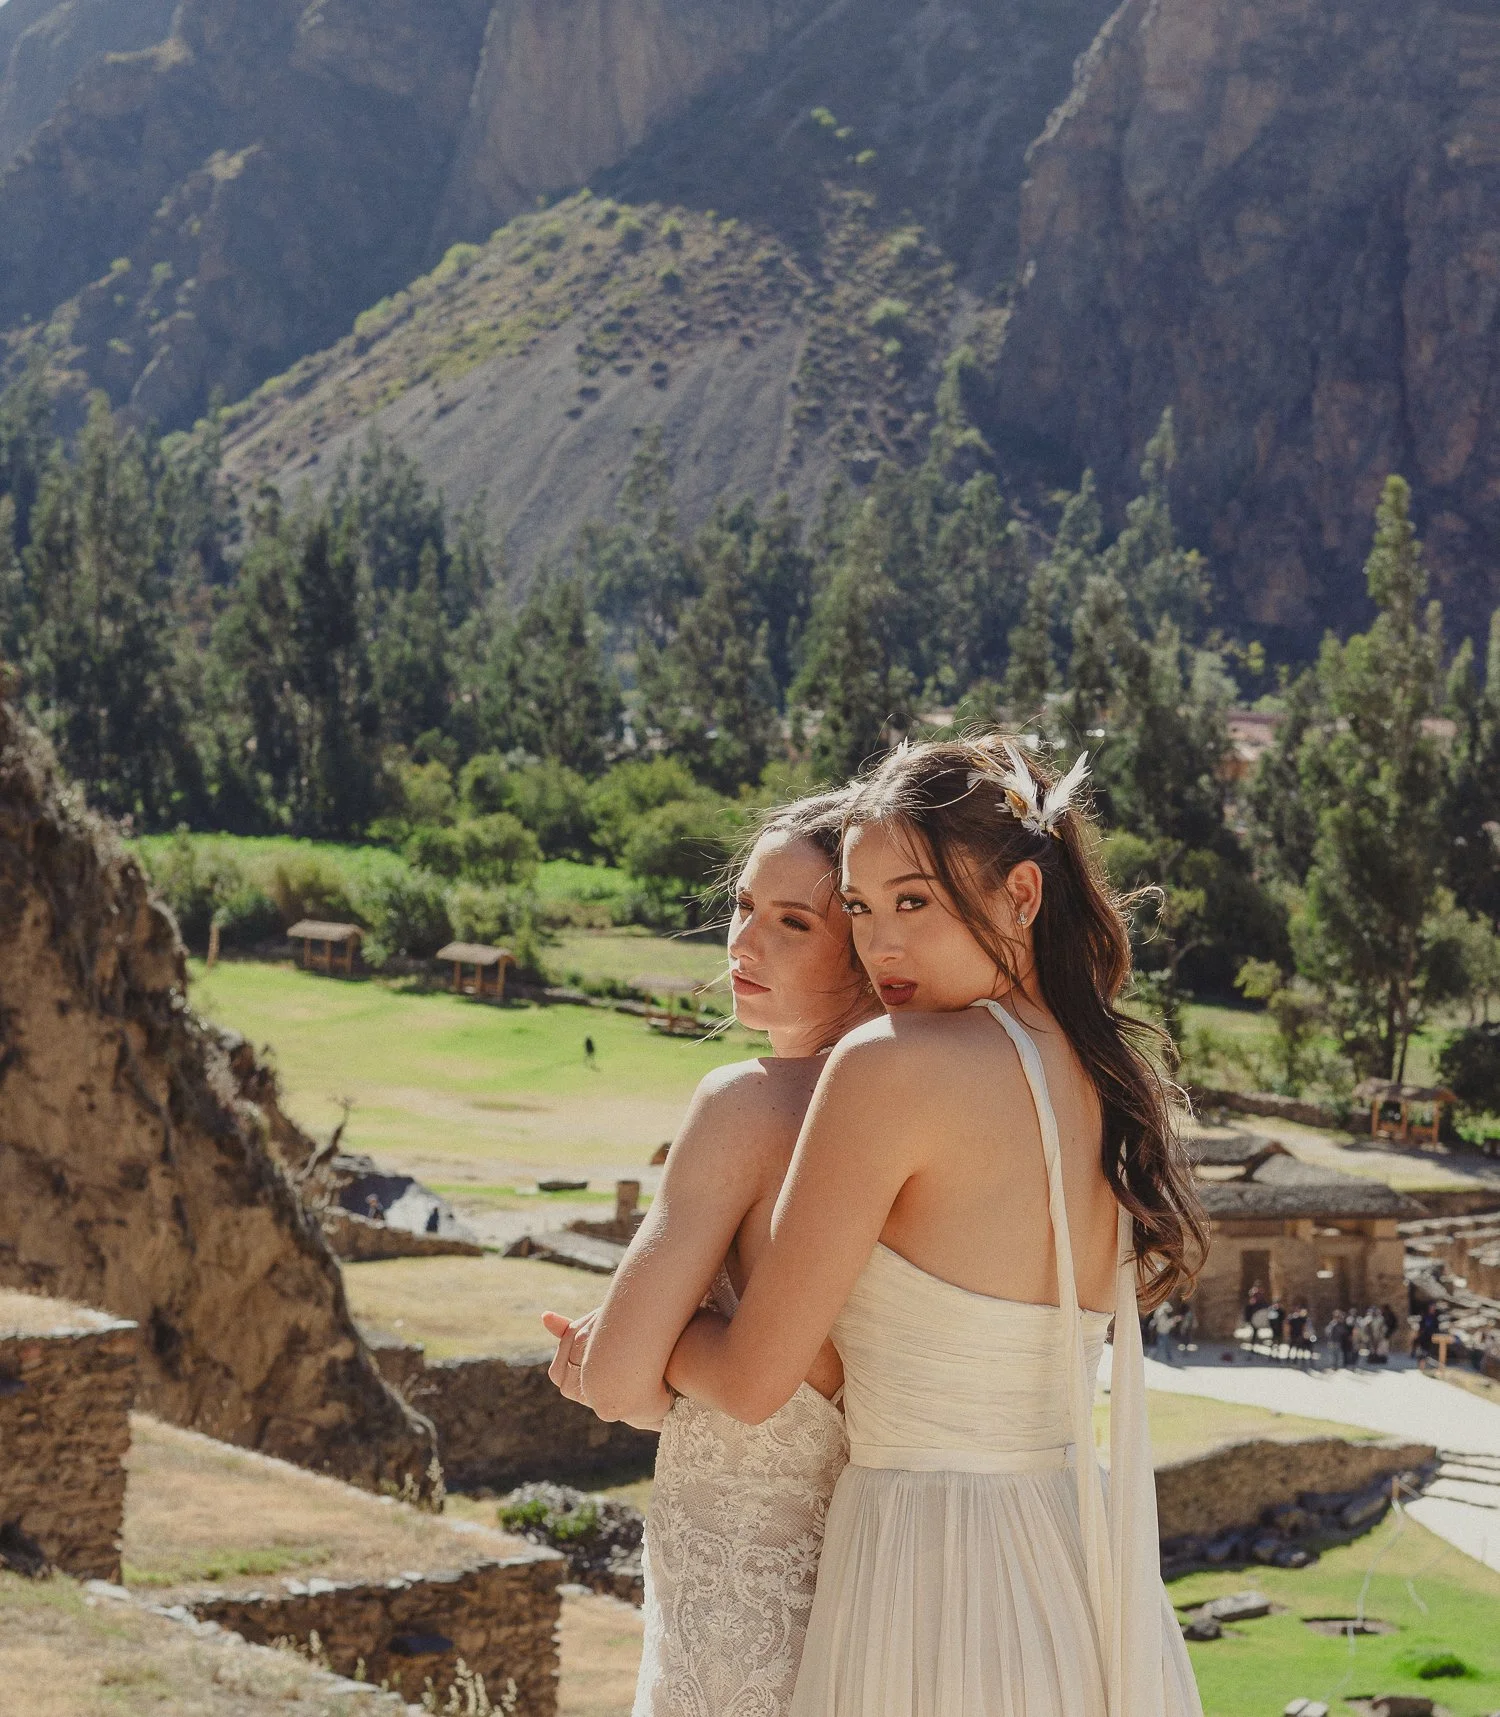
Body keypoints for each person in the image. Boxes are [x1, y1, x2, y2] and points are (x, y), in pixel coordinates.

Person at [664, 735, 1207, 1717]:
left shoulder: (889, 1065)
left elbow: (750, 1380)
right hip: (1084, 1573)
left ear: (1022, 894)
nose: (880, 947)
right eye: (860, 908)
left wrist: (651, 1337)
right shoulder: (1112, 1079)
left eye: (913, 902)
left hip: (924, 1573)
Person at [543, 792, 880, 1717]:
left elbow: (617, 1380)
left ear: (866, 944)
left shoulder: (745, 1104)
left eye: (793, 921)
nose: (744, 942)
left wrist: (651, 1342)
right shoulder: (935, 1110)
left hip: (735, 1618)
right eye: (742, 905)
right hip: (884, 1605)